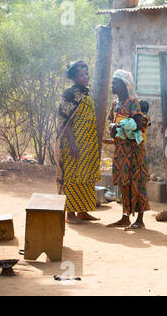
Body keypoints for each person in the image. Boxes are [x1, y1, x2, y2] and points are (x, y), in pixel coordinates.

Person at [55, 61, 101, 224]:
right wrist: (73, 144)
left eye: (87, 74)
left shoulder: (85, 93)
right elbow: (64, 121)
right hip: (73, 143)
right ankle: (70, 214)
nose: (85, 77)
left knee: (86, 176)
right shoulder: (69, 94)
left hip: (88, 143)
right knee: (74, 176)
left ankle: (83, 212)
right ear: (74, 77)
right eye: (82, 75)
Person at [106, 69, 150, 230]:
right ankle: (125, 217)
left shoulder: (133, 102)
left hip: (133, 150)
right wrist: (113, 129)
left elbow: (138, 123)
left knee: (137, 181)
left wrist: (119, 125)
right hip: (120, 149)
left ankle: (140, 219)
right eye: (112, 83)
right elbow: (112, 122)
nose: (112, 86)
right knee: (123, 183)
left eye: (115, 83)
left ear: (124, 85)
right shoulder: (114, 103)